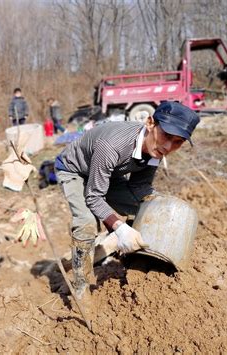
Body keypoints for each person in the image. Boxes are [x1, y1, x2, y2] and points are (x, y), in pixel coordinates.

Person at [55, 101, 199, 302]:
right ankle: (81, 286)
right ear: (150, 123)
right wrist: (119, 228)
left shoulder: (155, 150)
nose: (168, 146)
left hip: (109, 175)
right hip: (75, 170)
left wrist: (160, 204)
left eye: (178, 142)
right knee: (86, 223)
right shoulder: (112, 145)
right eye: (166, 136)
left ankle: (139, 261)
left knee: (145, 209)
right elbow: (94, 196)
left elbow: (140, 187)